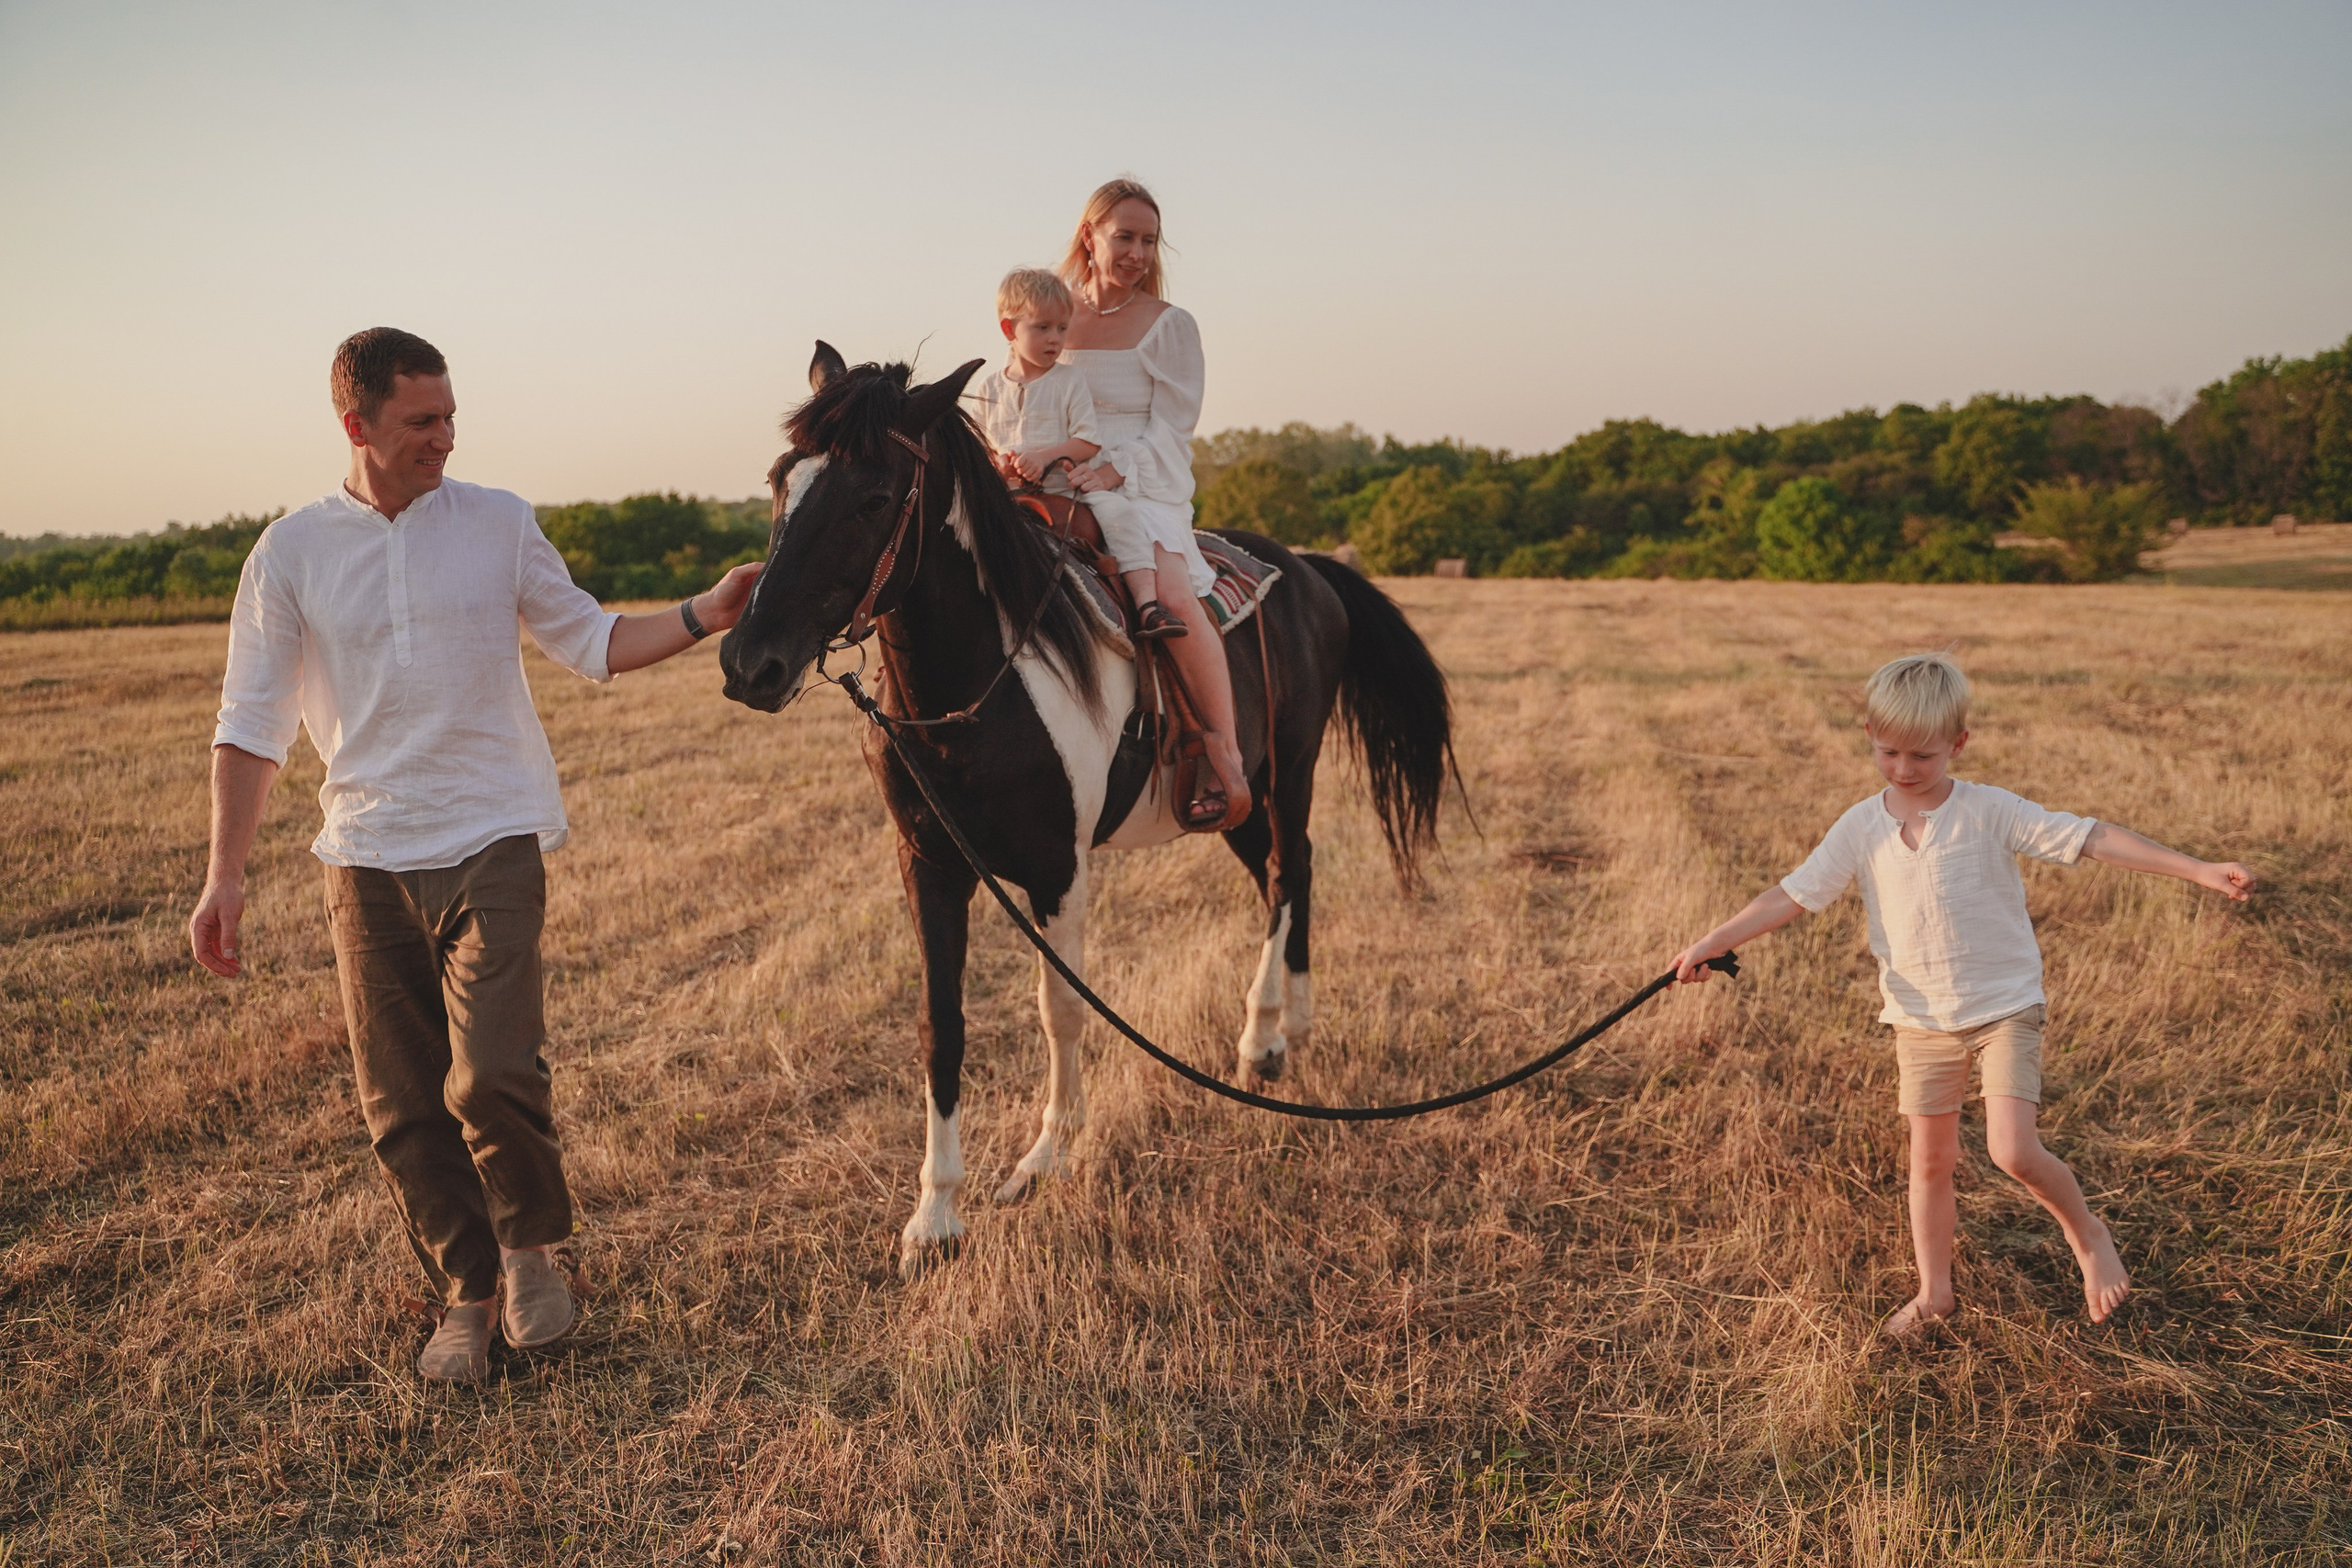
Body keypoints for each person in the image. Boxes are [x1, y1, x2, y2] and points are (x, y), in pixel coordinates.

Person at [188, 327, 762, 1382]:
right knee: (401, 1102)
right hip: (361, 856)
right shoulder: (289, 553)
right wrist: (224, 876)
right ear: (355, 424)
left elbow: (589, 639)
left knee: (492, 1072)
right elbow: (251, 724)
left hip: (492, 831)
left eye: (452, 416)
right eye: (422, 421)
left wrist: (703, 613)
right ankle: (468, 1293)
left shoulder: (497, 524)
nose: (446, 437)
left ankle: (532, 1248)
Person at [1668, 652, 2254, 1338]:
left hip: (2004, 1005)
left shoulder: (1988, 810)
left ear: (1959, 744)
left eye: (1922, 753)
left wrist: (2198, 869)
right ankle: (1935, 1292)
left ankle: (2088, 1232)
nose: (1904, 768)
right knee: (1930, 1161)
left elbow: (2089, 836)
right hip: (1920, 1019)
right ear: (1867, 734)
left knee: (2011, 1150)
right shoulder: (1860, 826)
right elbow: (1792, 894)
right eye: (1888, 751)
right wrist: (1712, 940)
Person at [1057, 178, 1250, 828]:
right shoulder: (1052, 314)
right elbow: (1022, 387)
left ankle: (1222, 750)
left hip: (1143, 479)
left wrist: (1113, 470)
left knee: (1169, 592)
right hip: (1056, 472)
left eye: (1147, 240)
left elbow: (1172, 427)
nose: (1138, 253)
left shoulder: (1170, 326)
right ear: (1090, 236)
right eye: (1124, 238)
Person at [965, 267, 1184, 639]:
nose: (1055, 339)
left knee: (1121, 514)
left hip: (1067, 490)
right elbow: (979, 447)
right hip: (1006, 496)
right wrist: (995, 463)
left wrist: (1045, 455)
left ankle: (1148, 604)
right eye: (1042, 328)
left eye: (1062, 329)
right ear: (1009, 330)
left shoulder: (1069, 381)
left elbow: (1088, 441)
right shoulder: (988, 387)